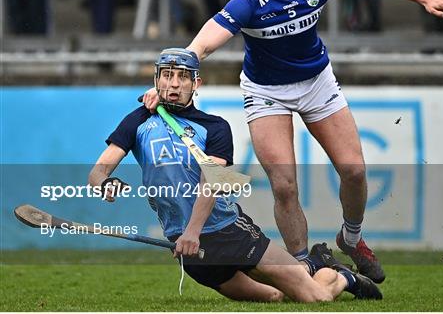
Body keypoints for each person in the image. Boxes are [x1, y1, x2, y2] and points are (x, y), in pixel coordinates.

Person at [143, 0, 443, 284]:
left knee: (354, 170)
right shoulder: (248, 1)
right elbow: (201, 46)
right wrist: (169, 80)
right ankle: (303, 267)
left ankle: (352, 240)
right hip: (266, 91)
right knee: (284, 185)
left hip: (317, 82)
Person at [88, 47, 382, 302]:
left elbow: (211, 183)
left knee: (312, 296)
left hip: (228, 233)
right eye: (166, 75)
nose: (173, 84)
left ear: (196, 83)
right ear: (156, 80)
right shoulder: (138, 121)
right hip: (186, 246)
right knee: (275, 297)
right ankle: (310, 267)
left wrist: (193, 233)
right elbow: (98, 171)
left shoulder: (215, 127)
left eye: (182, 77)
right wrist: (106, 183)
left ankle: (342, 276)